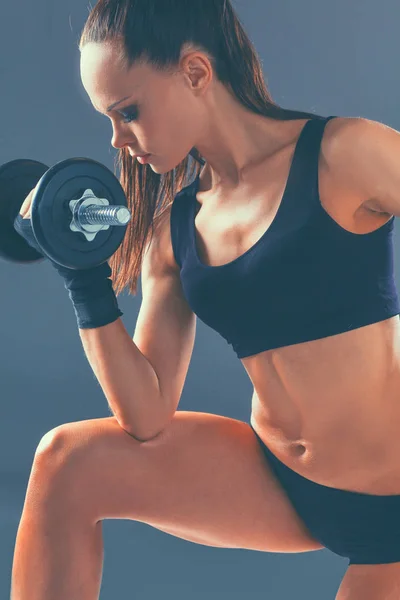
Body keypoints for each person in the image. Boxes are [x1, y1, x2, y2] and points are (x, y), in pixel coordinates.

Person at [10, 1, 400, 598]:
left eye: (128, 111)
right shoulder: (174, 232)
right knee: (67, 463)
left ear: (195, 73)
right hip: (284, 482)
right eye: (108, 120)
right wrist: (82, 276)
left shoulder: (344, 153)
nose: (117, 140)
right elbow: (146, 416)